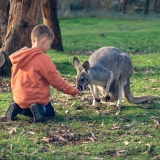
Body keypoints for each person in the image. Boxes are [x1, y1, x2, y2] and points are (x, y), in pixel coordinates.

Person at [5, 24, 80, 123]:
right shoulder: (43, 59)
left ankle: (17, 108)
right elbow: (57, 81)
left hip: (20, 99)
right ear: (44, 40)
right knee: (50, 111)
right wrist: (73, 91)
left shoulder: (19, 58)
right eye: (50, 43)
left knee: (25, 107)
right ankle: (40, 109)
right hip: (37, 100)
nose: (49, 47)